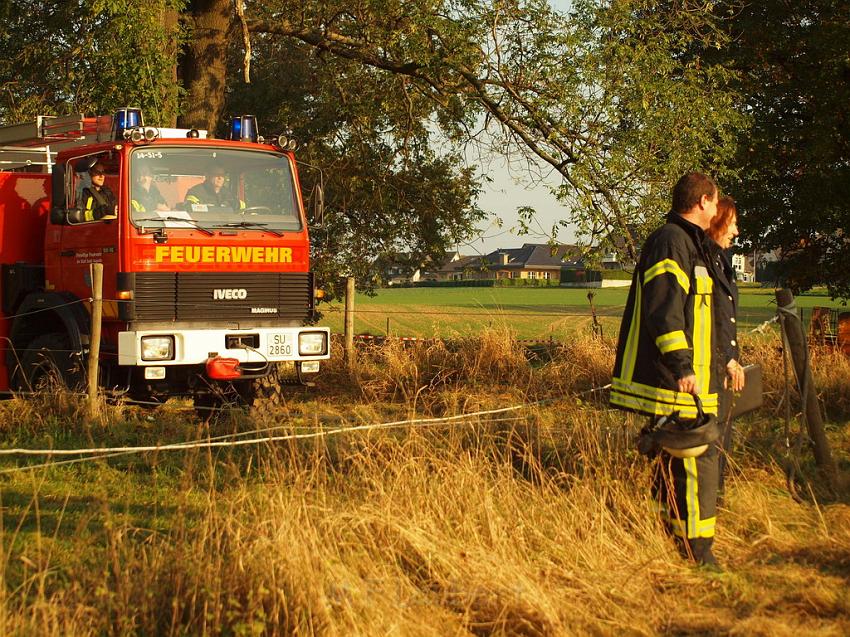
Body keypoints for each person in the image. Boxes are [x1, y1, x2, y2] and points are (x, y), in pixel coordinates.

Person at [611, 172, 724, 568]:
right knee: (694, 465)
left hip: (688, 380)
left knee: (675, 468)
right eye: (715, 202)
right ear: (703, 201)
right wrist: (681, 366)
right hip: (676, 381)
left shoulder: (691, 244)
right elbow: (664, 309)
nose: (717, 210)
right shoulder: (672, 242)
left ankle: (674, 545)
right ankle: (698, 555)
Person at [707, 196, 746, 484]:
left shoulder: (720, 260)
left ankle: (716, 500)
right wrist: (726, 359)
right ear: (716, 222)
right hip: (710, 369)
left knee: (722, 441)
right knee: (710, 442)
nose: (736, 231)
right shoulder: (703, 260)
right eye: (731, 223)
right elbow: (711, 317)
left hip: (722, 369)